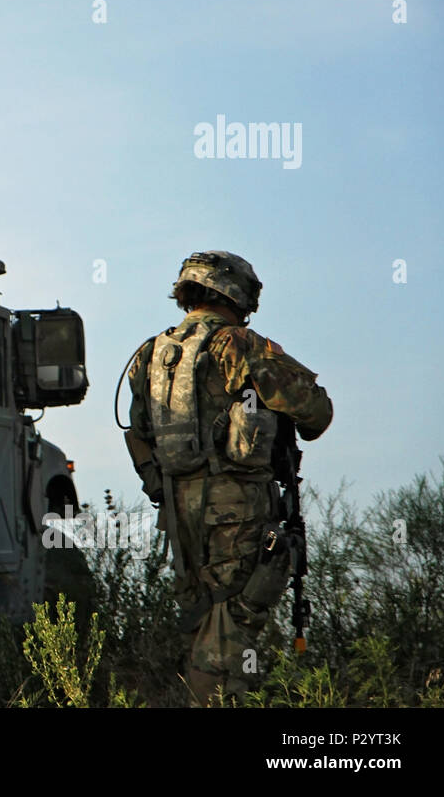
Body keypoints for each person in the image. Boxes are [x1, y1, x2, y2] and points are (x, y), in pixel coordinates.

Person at [123, 251, 332, 704]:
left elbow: (138, 434)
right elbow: (316, 412)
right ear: (236, 294)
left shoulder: (149, 355)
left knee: (205, 622)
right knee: (233, 625)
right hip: (236, 507)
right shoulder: (240, 344)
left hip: (178, 514)